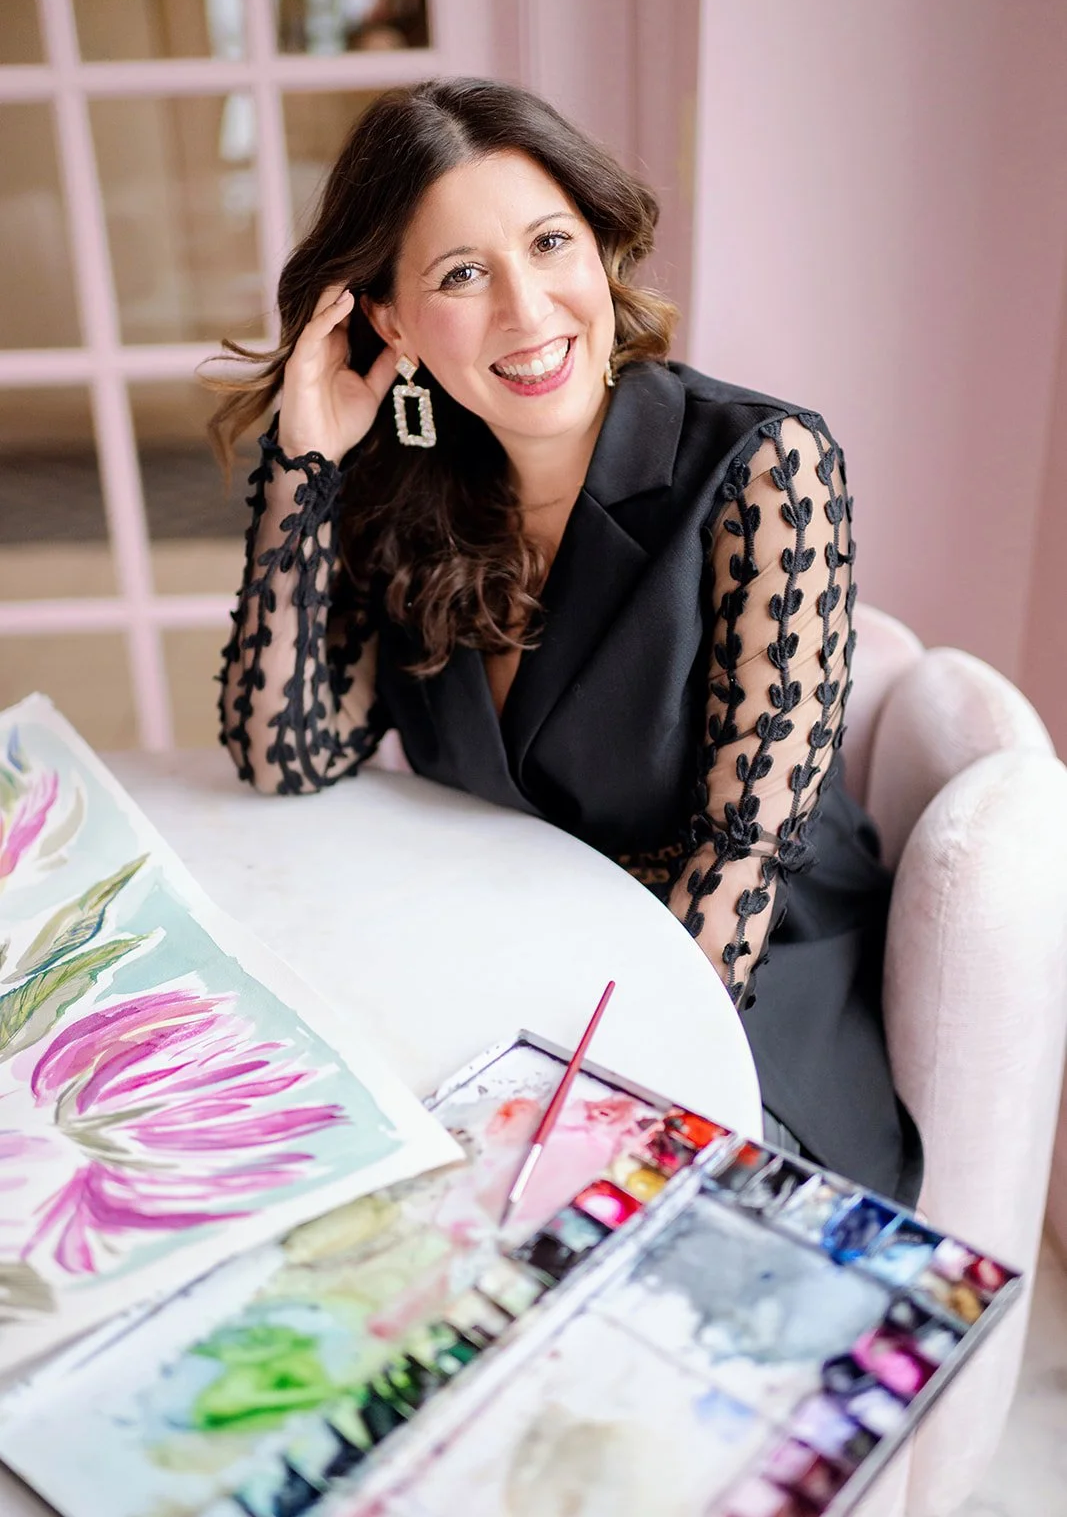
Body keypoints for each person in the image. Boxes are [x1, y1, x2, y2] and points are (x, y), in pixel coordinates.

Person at [210, 77, 921, 1206]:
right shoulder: (395, 491)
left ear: (598, 249)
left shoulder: (763, 468)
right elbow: (285, 754)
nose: (528, 308)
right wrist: (308, 466)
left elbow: (740, 863)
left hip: (733, 975)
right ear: (385, 320)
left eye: (549, 243)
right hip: (511, 960)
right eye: (459, 274)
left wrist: (586, 1114)